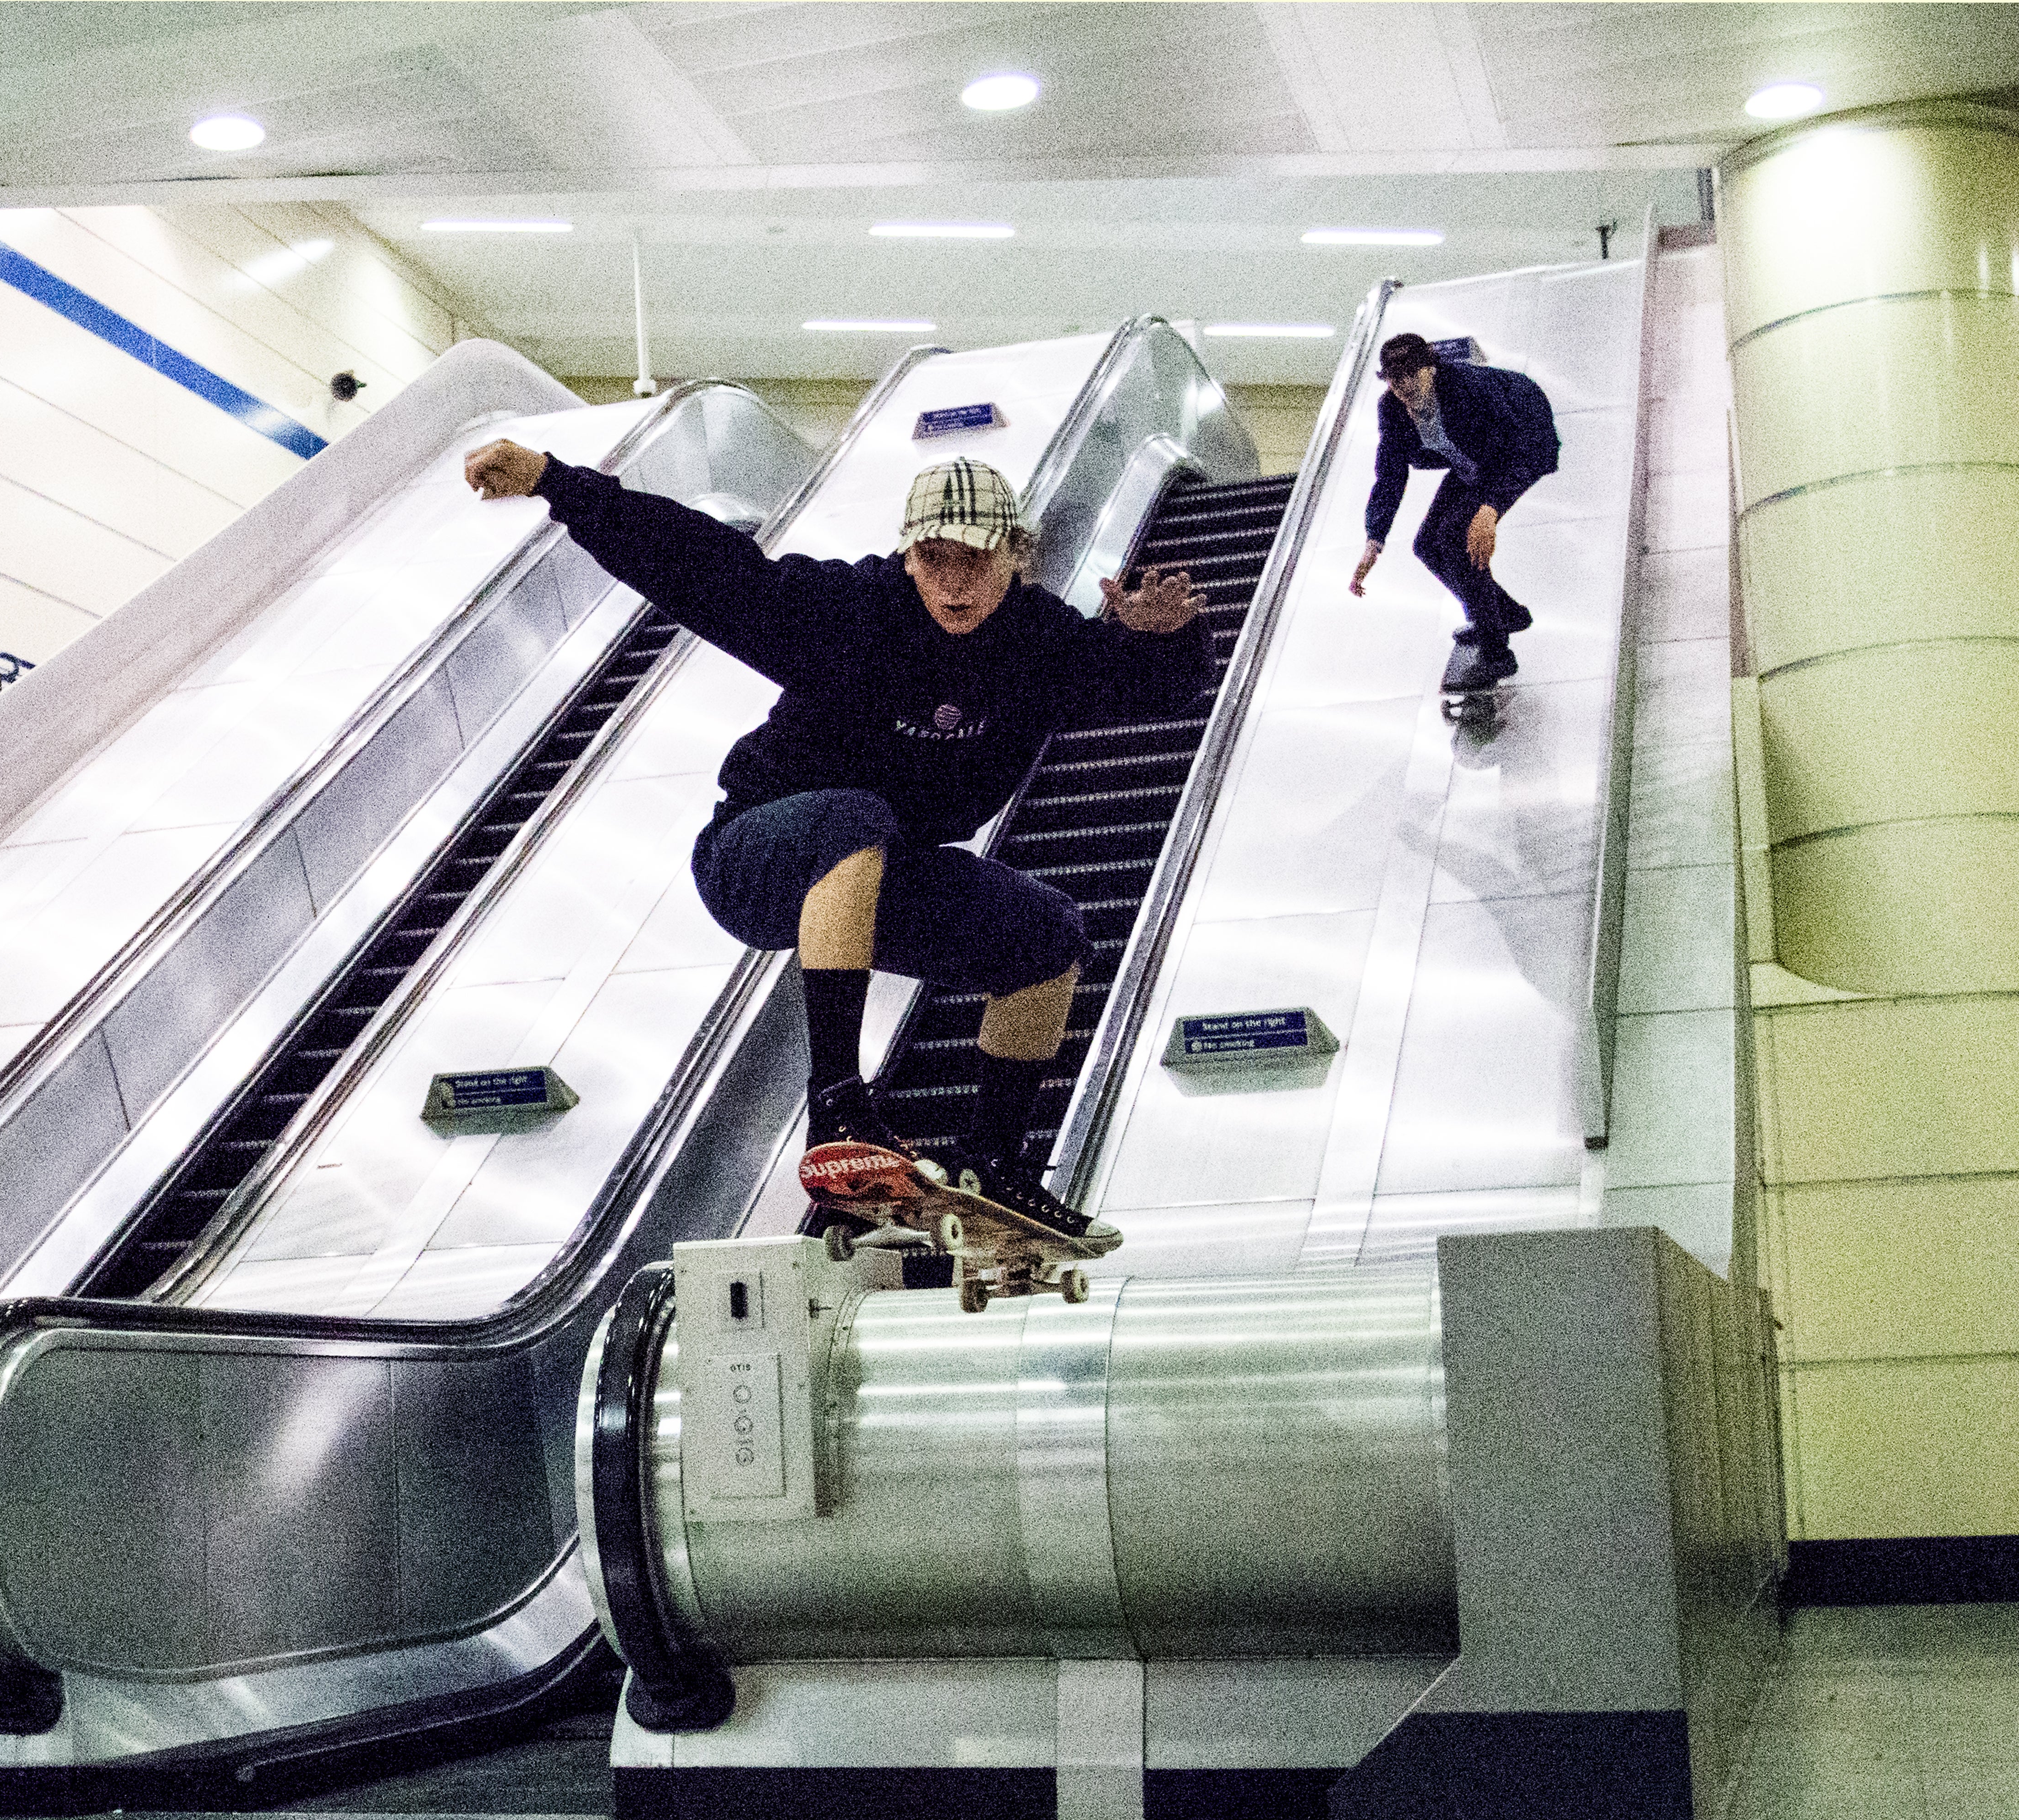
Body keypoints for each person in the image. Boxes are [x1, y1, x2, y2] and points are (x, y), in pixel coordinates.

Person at [459, 438, 1208, 1244]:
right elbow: (698, 567)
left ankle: (997, 1164)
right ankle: (839, 1106)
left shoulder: (1041, 643)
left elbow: (1150, 688)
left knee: (1048, 932)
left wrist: (1165, 639)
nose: (956, 585)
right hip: (755, 856)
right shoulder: (849, 612)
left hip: (881, 875)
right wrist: (557, 482)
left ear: (1017, 557)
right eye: (935, 559)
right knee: (856, 818)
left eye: (978, 562)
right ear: (909, 557)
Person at [1347, 332, 1561, 691]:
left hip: (1520, 449)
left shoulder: (1469, 389)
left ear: (1431, 369)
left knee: (1455, 541)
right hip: (1471, 461)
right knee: (1427, 546)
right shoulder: (1392, 408)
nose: (1405, 390)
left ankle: (1497, 654)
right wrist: (1374, 539)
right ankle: (1503, 613)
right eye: (1395, 382)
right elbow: (1390, 472)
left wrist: (1490, 509)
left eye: (1411, 377)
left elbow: (1515, 452)